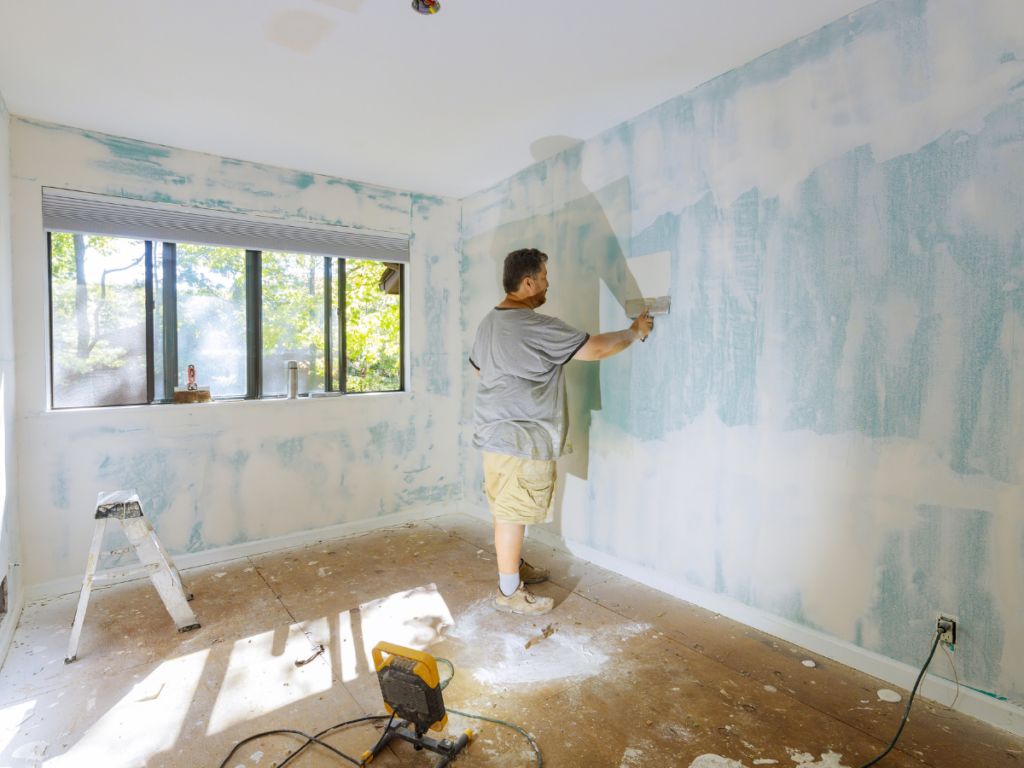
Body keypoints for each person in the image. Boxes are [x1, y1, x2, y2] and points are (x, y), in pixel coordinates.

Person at [468, 248, 654, 615]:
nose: (547, 283)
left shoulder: (488, 322)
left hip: (493, 435)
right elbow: (596, 349)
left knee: (505, 508)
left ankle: (513, 567)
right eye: (544, 276)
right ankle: (509, 594)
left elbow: (480, 370)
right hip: (521, 438)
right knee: (511, 513)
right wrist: (635, 331)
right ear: (528, 282)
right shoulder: (535, 326)